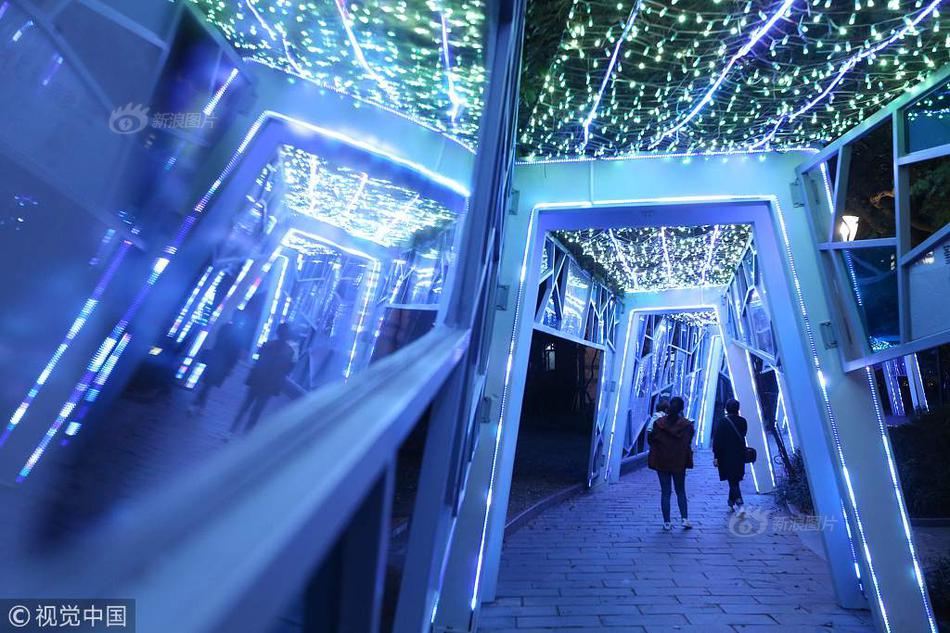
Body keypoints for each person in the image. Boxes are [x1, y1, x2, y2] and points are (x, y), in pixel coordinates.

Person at [231, 323, 295, 435]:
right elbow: (286, 371)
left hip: (258, 381)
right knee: (256, 411)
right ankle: (245, 434)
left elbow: (258, 363)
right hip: (269, 386)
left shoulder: (267, 345)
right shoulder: (289, 352)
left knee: (245, 407)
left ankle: (232, 430)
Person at [647, 396, 695, 531]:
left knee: (665, 492)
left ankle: (667, 523)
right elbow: (688, 442)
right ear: (681, 409)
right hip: (679, 462)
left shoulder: (658, 423)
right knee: (680, 491)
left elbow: (651, 440)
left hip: (662, 461)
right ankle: (685, 519)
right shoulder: (687, 425)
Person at [189, 316, 247, 415]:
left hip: (215, 358)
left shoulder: (225, 328)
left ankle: (198, 405)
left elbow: (218, 342)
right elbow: (235, 354)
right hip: (223, 363)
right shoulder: (239, 335)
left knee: (207, 384)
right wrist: (231, 368)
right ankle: (197, 405)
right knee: (208, 385)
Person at [712, 398, 748, 515]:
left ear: (727, 408)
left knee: (732, 481)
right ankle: (730, 502)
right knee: (735, 479)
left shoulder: (722, 422)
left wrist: (716, 456)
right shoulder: (743, 421)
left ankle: (740, 504)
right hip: (739, 455)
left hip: (726, 456)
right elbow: (743, 434)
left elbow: (717, 441)